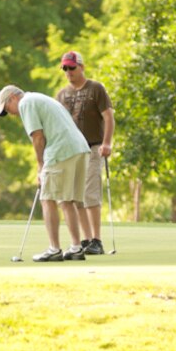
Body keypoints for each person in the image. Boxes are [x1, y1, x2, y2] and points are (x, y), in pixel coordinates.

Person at [0, 85, 91, 262]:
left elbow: (38, 136)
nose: (10, 113)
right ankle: (76, 248)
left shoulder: (26, 103)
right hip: (79, 149)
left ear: (12, 98)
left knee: (47, 199)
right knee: (67, 200)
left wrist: (40, 166)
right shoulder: (40, 98)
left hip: (61, 150)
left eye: (6, 108)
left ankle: (54, 249)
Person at [55, 51, 115, 255]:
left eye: (72, 67)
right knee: (75, 197)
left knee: (90, 193)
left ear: (81, 67)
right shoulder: (62, 95)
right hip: (71, 152)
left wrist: (107, 143)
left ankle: (97, 240)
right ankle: (86, 239)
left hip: (92, 147)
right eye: (65, 68)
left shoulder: (96, 88)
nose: (68, 72)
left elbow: (108, 117)